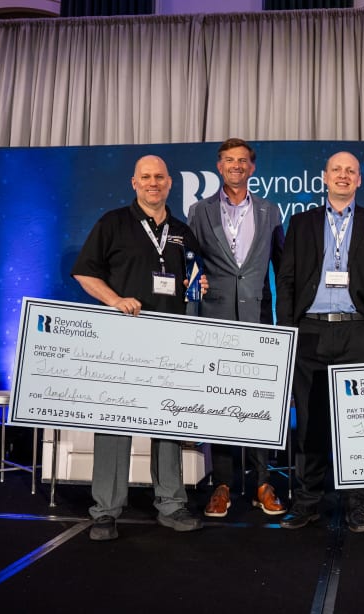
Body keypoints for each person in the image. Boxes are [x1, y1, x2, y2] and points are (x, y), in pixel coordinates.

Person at [71, 154, 205, 541]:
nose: (153, 183)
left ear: (169, 182)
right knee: (115, 424)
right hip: (122, 340)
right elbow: (84, 271)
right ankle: (106, 511)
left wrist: (197, 286)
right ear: (134, 182)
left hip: (169, 340)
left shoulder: (182, 231)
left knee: (167, 423)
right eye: (145, 177)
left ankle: (171, 504)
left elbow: (190, 280)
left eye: (159, 177)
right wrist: (114, 300)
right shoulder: (113, 222)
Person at [275, 151, 364, 533]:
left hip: (359, 332)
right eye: (337, 170)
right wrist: (289, 330)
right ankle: (307, 501)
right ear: (324, 178)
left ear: (359, 180)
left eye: (351, 171)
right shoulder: (301, 223)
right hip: (311, 332)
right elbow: (287, 281)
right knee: (310, 422)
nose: (343, 176)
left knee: (358, 425)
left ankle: (357, 504)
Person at [187, 138, 287, 519]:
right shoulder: (199, 211)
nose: (236, 166)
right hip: (215, 320)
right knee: (221, 401)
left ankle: (263, 482)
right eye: (230, 160)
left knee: (260, 401)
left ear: (252, 168)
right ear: (219, 166)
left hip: (259, 318)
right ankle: (223, 485)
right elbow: (191, 261)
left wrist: (284, 318)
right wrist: (196, 284)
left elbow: (282, 267)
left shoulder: (270, 211)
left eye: (243, 161)